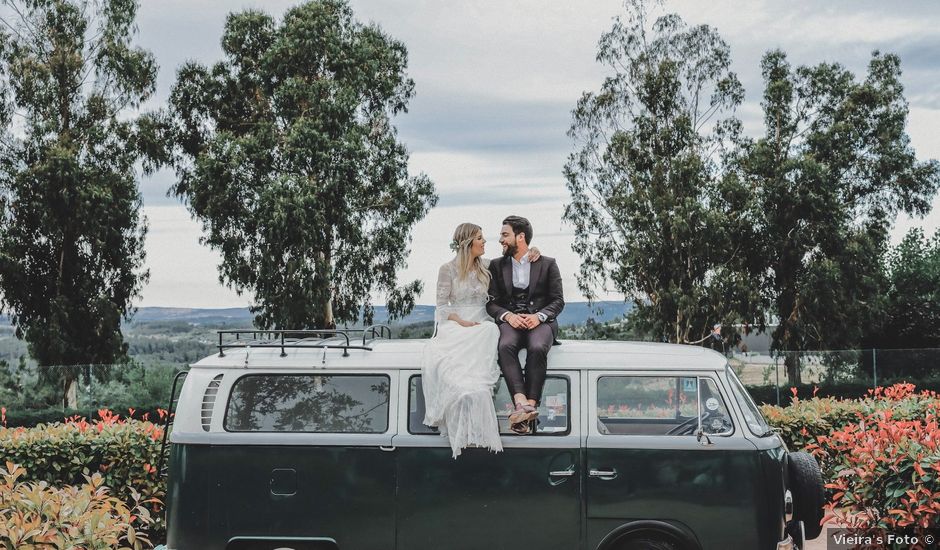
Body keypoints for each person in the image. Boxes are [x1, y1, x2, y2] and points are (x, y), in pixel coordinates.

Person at [420, 222, 540, 457]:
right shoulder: (447, 269)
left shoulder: (488, 266)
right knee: (455, 373)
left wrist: (532, 250)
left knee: (489, 331)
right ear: (467, 243)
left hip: (483, 322)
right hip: (457, 324)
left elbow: (516, 262)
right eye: (480, 238)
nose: (485, 242)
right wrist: (461, 322)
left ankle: (477, 395)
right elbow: (442, 306)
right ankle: (463, 406)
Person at [486, 215, 564, 434]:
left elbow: (558, 300)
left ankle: (531, 404)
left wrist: (539, 316)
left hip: (541, 322)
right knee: (504, 346)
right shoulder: (496, 265)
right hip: (511, 321)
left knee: (538, 347)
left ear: (520, 237)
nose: (500, 239)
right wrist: (507, 316)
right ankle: (520, 403)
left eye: (504, 234)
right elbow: (491, 303)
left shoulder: (547, 263)